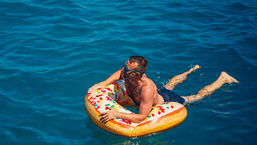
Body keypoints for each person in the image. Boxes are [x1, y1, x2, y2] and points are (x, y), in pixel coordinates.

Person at [88, 56, 239, 124]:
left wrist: (115, 113)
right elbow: (118, 73)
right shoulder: (128, 74)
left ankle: (222, 79)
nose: (124, 69)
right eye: (125, 65)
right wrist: (104, 83)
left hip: (166, 99)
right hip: (158, 91)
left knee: (196, 98)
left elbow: (141, 117)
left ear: (137, 74)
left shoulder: (146, 89)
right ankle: (191, 70)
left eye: (127, 68)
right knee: (169, 84)